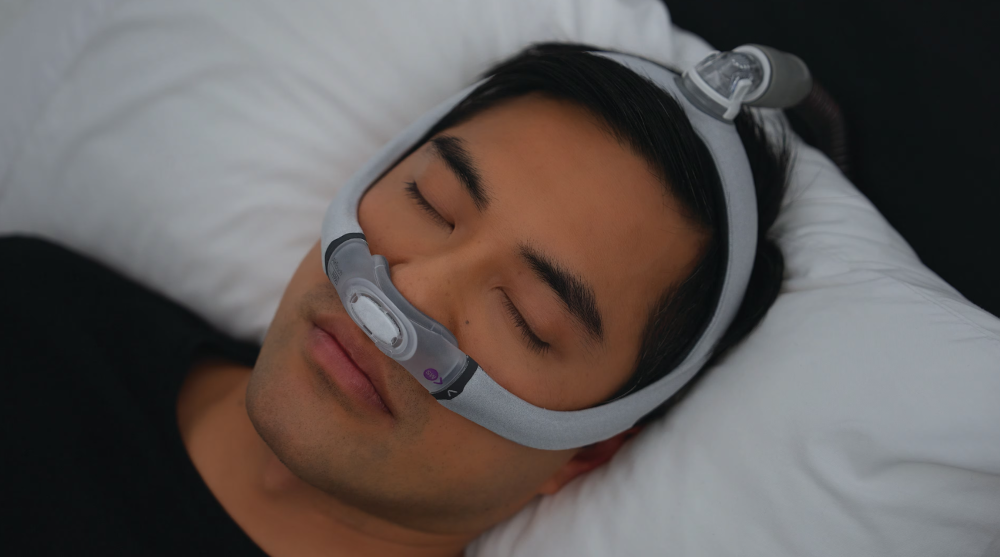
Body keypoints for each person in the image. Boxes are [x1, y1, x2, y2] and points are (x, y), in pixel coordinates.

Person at [1, 43, 789, 556]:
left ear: (587, 451)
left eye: (526, 316)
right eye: (430, 200)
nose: (407, 289)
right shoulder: (35, 313)